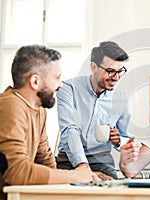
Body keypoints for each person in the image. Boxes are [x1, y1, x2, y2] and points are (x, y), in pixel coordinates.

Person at [0, 45, 109, 200]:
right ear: (35, 81)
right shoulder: (10, 105)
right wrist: (77, 176)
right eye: (57, 78)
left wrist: (86, 177)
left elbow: (45, 161)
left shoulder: (39, 110)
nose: (61, 84)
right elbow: (17, 172)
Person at [56, 41, 130, 179]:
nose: (116, 77)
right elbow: (69, 129)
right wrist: (82, 166)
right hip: (67, 160)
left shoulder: (122, 100)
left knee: (114, 191)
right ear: (93, 67)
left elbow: (127, 138)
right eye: (110, 71)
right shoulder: (68, 88)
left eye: (120, 71)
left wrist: (118, 141)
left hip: (102, 161)